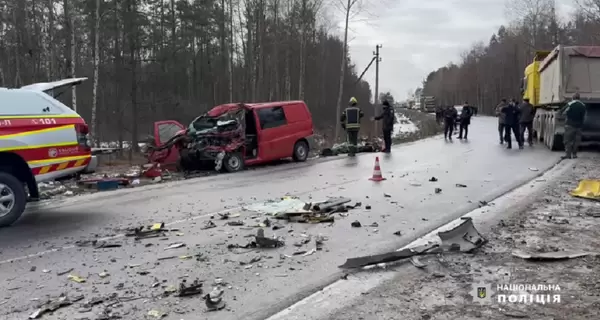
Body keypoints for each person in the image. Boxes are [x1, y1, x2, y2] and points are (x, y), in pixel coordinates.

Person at [560, 92, 587, 159]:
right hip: (579, 126)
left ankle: (568, 155)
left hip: (570, 125)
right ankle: (574, 154)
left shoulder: (570, 104)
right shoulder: (583, 105)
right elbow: (584, 116)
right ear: (579, 98)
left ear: (573, 98)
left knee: (567, 140)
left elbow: (561, 111)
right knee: (576, 141)